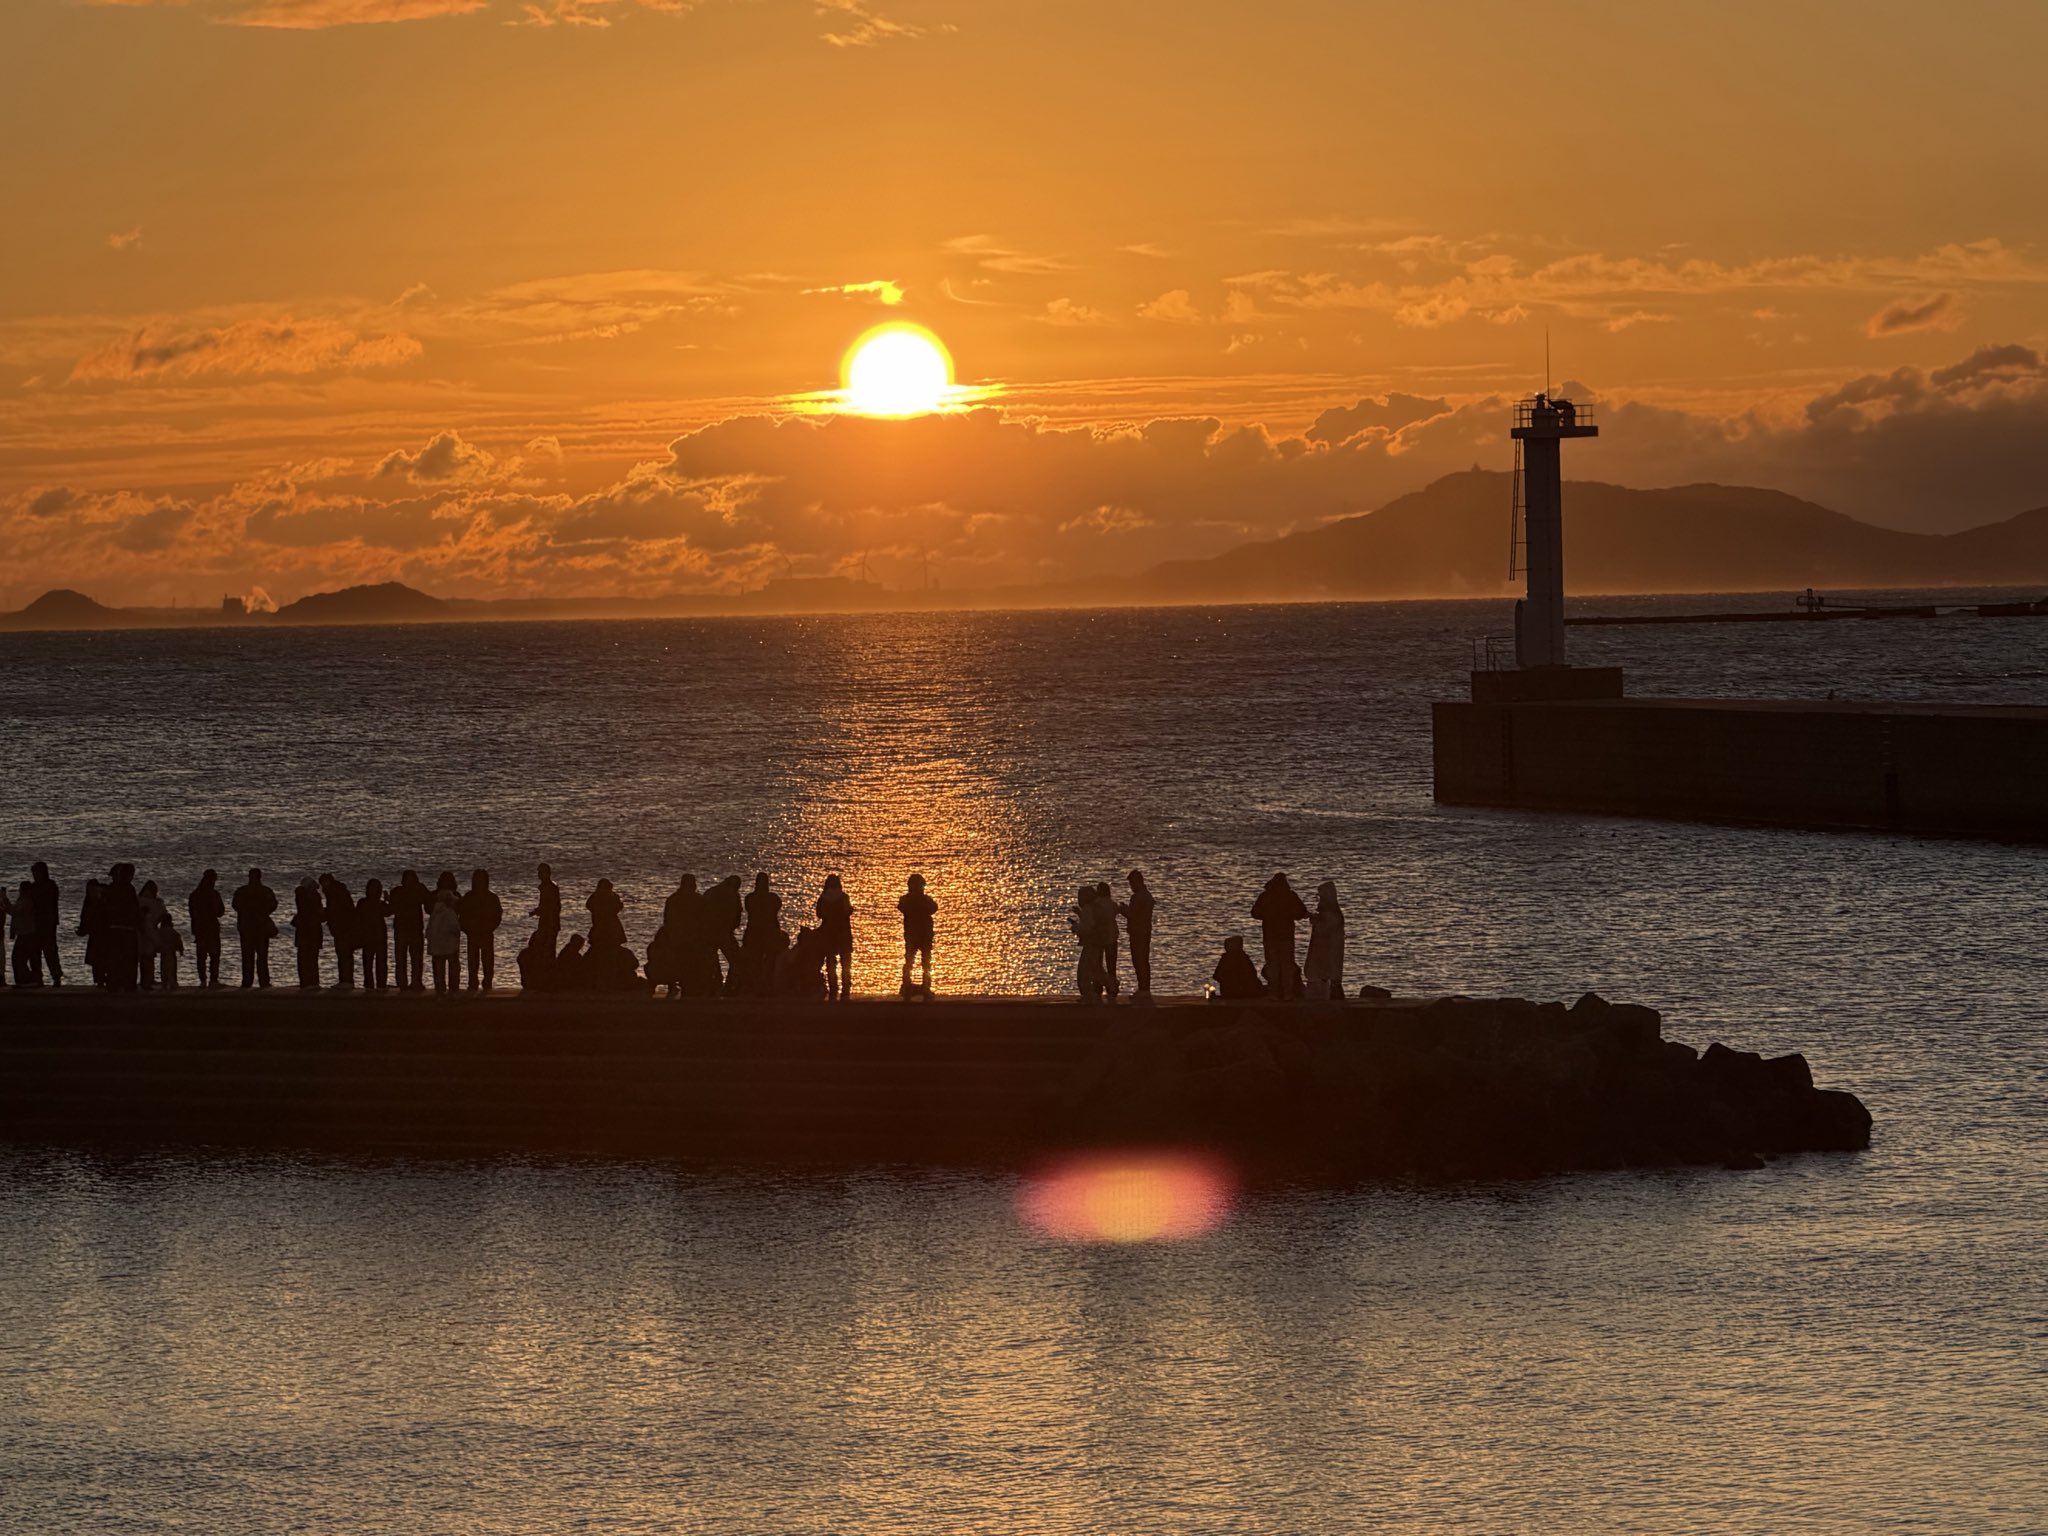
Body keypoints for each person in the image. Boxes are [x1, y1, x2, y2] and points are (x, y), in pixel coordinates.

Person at [1251, 872, 1308, 1000]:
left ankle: (1273, 992)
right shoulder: (1290, 896)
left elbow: (1255, 913)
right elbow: (1301, 912)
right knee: (1287, 965)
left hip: (1270, 935)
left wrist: (1267, 916)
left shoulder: (1265, 896)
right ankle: (1288, 992)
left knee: (1272, 964)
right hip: (1286, 936)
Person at [741, 872, 784, 995]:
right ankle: (768, 986)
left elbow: (749, 909)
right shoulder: (774, 898)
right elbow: (776, 909)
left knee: (755, 961)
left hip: (754, 933)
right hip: (770, 933)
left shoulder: (750, 898)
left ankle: (756, 986)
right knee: (770, 961)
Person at [231, 869, 276, 988]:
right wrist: (263, 913)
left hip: (246, 927)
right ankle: (264, 981)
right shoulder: (266, 891)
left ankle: (247, 981)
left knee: (247, 956)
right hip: (261, 927)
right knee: (262, 956)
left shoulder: (241, 891)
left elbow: (235, 905)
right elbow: (273, 905)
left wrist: (246, 913)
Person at [459, 869, 502, 991]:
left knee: (487, 960)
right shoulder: (470, 897)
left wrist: (490, 928)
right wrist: (466, 929)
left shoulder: (491, 897)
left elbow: (497, 916)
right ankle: (473, 982)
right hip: (473, 932)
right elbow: (462, 915)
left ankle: (487, 981)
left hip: (485, 932)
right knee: (473, 960)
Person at [103, 863, 143, 993]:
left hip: (114, 928)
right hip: (127, 929)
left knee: (115, 958)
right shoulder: (128, 889)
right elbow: (134, 909)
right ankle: (128, 984)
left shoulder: (112, 889)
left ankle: (114, 983)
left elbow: (106, 909)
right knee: (129, 959)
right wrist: (139, 923)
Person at [1304, 880, 1346, 1001]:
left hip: (1329, 949)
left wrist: (1314, 919)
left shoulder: (1332, 914)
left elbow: (1325, 928)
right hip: (1325, 949)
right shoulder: (1331, 912)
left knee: (1329, 972)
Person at [389, 870, 430, 992]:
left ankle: (404, 983)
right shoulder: (418, 890)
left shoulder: (397, 892)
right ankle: (414, 982)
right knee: (414, 958)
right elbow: (429, 901)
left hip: (405, 929)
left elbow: (391, 909)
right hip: (413, 929)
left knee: (403, 958)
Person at [815, 874, 853, 1002]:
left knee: (831, 962)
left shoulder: (823, 898)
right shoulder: (844, 897)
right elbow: (848, 911)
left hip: (828, 932)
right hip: (843, 932)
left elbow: (819, 914)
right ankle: (846, 989)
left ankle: (833, 988)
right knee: (846, 962)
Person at [897, 873, 936, 998]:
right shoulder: (909, 900)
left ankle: (923, 987)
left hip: (920, 935)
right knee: (914, 962)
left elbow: (934, 908)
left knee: (922, 963)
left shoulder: (917, 900)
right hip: (916, 935)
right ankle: (909, 987)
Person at [705, 875, 743, 992]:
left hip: (709, 932)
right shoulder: (733, 895)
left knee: (712, 959)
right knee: (737, 959)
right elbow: (737, 915)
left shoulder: (711, 892)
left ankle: (715, 983)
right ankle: (729, 984)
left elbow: (701, 911)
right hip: (724, 932)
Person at [188, 870, 225, 988]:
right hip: (211, 926)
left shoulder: (195, 894)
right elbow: (220, 912)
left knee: (201, 955)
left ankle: (203, 980)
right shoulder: (213, 894)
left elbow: (192, 913)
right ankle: (213, 979)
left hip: (199, 927)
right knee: (214, 954)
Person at [1070, 884, 1106, 1002]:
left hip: (1090, 944)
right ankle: (1111, 984)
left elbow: (1086, 929)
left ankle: (1088, 994)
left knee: (1083, 972)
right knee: (1096, 970)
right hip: (1098, 944)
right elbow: (1091, 923)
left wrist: (1076, 927)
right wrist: (1080, 914)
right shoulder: (1095, 908)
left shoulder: (1088, 909)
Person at [320, 874, 357, 989]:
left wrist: (326, 914)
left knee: (343, 953)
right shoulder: (340, 891)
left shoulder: (334, 893)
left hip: (342, 928)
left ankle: (346, 980)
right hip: (344, 927)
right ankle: (346, 980)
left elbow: (335, 911)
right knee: (344, 954)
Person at [1122, 870, 1155, 999]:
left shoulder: (1138, 897)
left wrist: (1122, 909)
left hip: (1138, 932)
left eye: (1132, 883)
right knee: (1143, 960)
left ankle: (1143, 989)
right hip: (1145, 931)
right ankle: (1144, 988)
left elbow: (1132, 915)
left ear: (1137, 882)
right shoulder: (1147, 895)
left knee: (1139, 960)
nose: (1131, 886)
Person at [29, 862, 61, 985]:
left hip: (46, 923)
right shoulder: (46, 886)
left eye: (36, 872)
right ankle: (39, 977)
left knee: (49, 951)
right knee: (37, 951)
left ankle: (55, 975)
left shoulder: (48, 886)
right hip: (39, 923)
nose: (34, 875)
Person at [358, 878, 392, 991]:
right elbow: (389, 911)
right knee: (381, 961)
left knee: (368, 961)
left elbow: (356, 917)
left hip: (367, 934)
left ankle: (369, 984)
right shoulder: (379, 904)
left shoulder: (363, 902)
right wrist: (388, 900)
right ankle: (381, 984)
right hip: (379, 934)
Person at [291, 877, 325, 989]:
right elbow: (318, 913)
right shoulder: (314, 897)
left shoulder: (300, 896)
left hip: (303, 930)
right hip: (313, 930)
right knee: (312, 957)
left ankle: (305, 982)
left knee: (303, 956)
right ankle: (313, 981)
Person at [427, 887, 462, 995]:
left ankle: (440, 989)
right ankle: (453, 989)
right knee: (453, 967)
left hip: (437, 946)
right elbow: (455, 928)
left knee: (438, 969)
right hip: (450, 945)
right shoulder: (449, 913)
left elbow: (429, 930)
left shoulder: (435, 913)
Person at [136, 880, 170, 990]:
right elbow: (164, 915)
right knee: (149, 956)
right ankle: (148, 980)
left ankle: (144, 979)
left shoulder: (137, 900)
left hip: (138, 931)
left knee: (143, 957)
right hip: (150, 930)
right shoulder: (157, 903)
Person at [1092, 882, 1122, 1001]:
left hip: (1099, 938)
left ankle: (1097, 988)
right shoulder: (1112, 904)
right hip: (1112, 937)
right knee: (1111, 965)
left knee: (1097, 965)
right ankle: (1112, 988)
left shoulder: (1095, 904)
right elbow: (1116, 911)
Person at [1212, 934, 1264, 1000]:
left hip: (1228, 992)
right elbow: (1251, 975)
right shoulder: (1244, 959)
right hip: (1245, 992)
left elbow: (1216, 975)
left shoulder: (1225, 959)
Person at [77, 878, 108, 987]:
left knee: (99, 955)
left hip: (99, 931)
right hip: (98, 931)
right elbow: (85, 916)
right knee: (99, 956)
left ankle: (101, 978)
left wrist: (83, 928)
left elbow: (86, 915)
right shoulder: (96, 898)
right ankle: (100, 978)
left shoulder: (94, 899)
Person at [7, 881, 38, 986]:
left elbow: (14, 912)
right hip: (24, 933)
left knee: (18, 957)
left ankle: (25, 979)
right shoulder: (23, 900)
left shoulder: (27, 901)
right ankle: (24, 979)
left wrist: (6, 902)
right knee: (19, 958)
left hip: (27, 933)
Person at [533, 863, 562, 954]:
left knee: (548, 948)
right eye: (539, 872)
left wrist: (539, 911)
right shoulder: (547, 887)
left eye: (541, 872)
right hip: (548, 922)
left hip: (550, 923)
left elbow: (552, 907)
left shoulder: (550, 888)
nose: (539, 875)